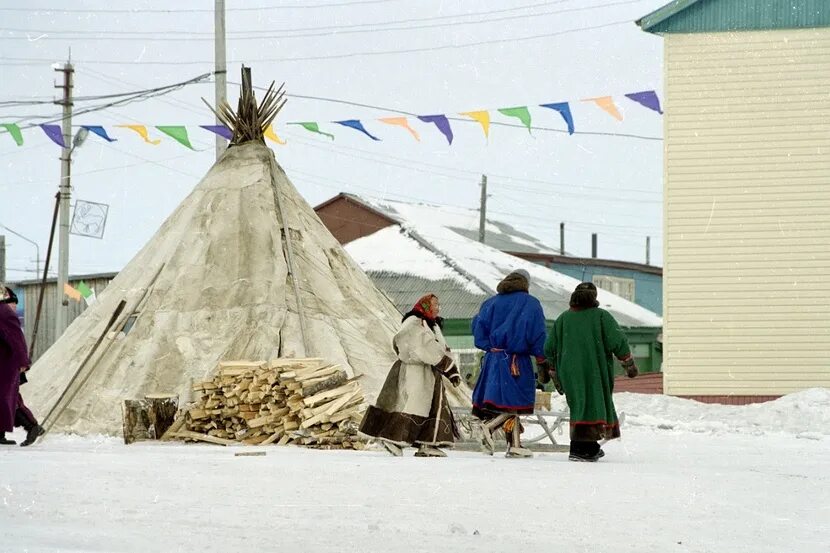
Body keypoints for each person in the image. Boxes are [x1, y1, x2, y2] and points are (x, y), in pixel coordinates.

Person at [544, 282, 638, 462]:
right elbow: (618, 340)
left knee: (579, 404)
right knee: (594, 404)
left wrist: (553, 370)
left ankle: (587, 446)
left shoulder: (563, 318)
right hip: (594, 369)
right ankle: (582, 449)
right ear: (593, 297)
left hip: (569, 371)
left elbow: (549, 348)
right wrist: (628, 363)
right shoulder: (601, 316)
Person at [359, 294, 461, 457]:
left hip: (428, 373)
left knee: (430, 407)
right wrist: (448, 367)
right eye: (435, 304)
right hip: (414, 372)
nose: (438, 307)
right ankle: (392, 438)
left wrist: (448, 365)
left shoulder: (430, 324)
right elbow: (423, 346)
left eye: (438, 304)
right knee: (413, 405)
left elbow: (439, 348)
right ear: (426, 306)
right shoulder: (414, 323)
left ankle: (427, 443)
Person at [471, 269, 548, 458]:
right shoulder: (530, 304)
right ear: (526, 284)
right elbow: (537, 334)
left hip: (492, 360)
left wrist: (489, 346)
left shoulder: (490, 303)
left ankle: (515, 445)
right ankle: (488, 428)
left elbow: (477, 328)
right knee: (514, 403)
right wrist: (541, 359)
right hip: (515, 361)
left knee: (507, 404)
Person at [1, 285, 44, 447]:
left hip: (6, 364)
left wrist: (23, 362)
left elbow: (17, 339)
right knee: (6, 399)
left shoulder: (3, 313)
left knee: (8, 399)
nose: (14, 307)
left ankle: (32, 426)